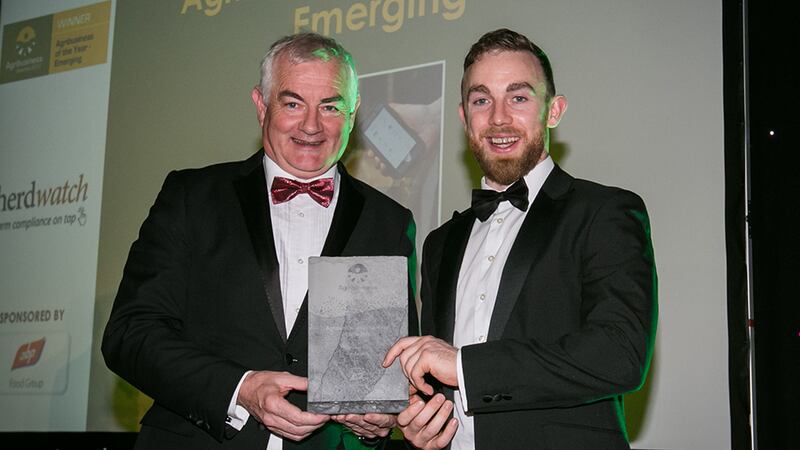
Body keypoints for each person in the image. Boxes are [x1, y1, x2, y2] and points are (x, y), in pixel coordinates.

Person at [102, 33, 417, 450]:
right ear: (261, 105)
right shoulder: (191, 196)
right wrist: (240, 388)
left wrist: (375, 421)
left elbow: (392, 366)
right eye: (292, 104)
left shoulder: (389, 221)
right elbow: (130, 333)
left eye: (330, 106)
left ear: (354, 112)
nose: (311, 125)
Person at [383, 28, 657, 450]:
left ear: (554, 110)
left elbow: (619, 354)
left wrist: (463, 367)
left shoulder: (604, 212)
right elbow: (438, 384)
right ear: (463, 117)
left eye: (519, 97)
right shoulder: (441, 243)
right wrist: (423, 425)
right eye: (481, 100)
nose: (498, 118)